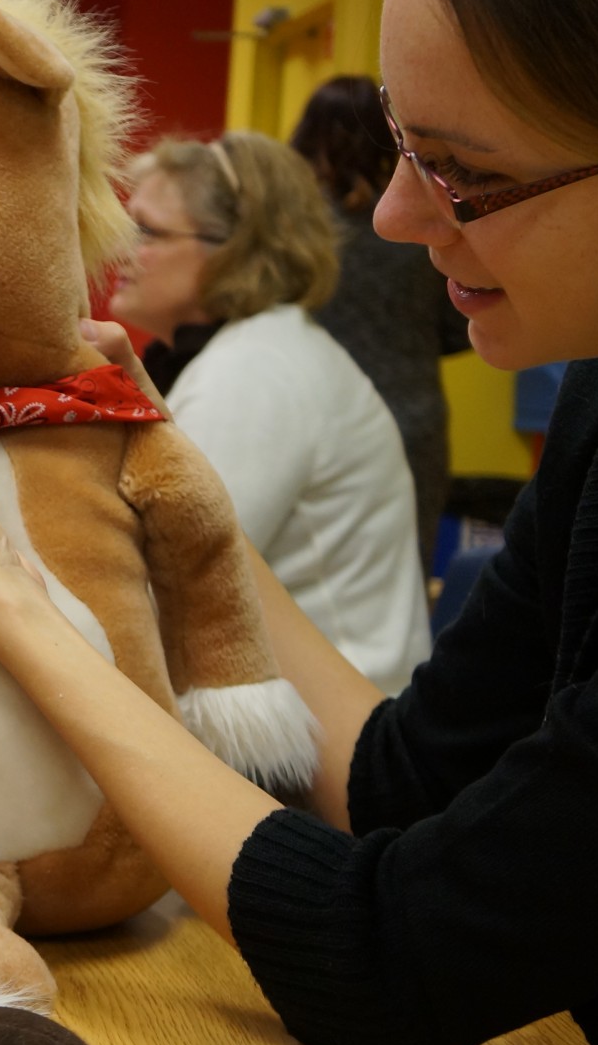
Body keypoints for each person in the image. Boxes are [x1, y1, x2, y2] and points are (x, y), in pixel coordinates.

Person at [0, 0, 598, 1045]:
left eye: (458, 169)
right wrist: (147, 446)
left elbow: (386, 957)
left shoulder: (269, 364)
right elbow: (403, 780)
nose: (389, 214)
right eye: (397, 146)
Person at [113, 130, 430, 695]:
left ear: (234, 248)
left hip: (330, 741)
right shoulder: (247, 352)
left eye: (148, 232)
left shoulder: (254, 373)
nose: (119, 250)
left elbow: (165, 581)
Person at [292, 74, 473, 572]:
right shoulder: (419, 223)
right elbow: (461, 323)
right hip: (414, 416)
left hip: (318, 419)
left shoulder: (296, 230)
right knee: (404, 577)